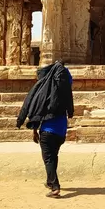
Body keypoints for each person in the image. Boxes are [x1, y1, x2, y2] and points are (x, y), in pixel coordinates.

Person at [16, 60, 74, 198]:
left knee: (48, 158)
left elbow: (35, 109)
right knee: (53, 157)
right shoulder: (63, 93)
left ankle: (55, 187)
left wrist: (33, 130)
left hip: (48, 131)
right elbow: (67, 83)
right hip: (61, 131)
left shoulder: (44, 93)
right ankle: (50, 181)